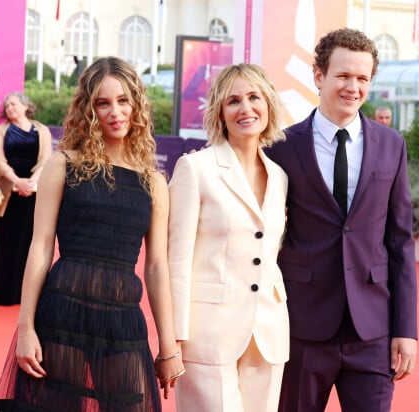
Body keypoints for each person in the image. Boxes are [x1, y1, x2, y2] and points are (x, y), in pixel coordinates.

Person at [0, 56, 184, 411]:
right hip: (61, 312)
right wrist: (26, 328)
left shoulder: (154, 182)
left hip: (123, 320)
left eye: (123, 100)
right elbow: (41, 247)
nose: (115, 112)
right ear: (88, 109)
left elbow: (157, 267)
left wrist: (168, 347)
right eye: (103, 103)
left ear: (137, 104)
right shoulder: (63, 164)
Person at [265, 28, 418, 412]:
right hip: (303, 325)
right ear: (319, 76)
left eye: (363, 78)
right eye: (343, 76)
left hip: (372, 330)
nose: (353, 87)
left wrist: (406, 330)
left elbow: (400, 242)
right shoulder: (281, 147)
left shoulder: (391, 145)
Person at [168, 63, 289, 412]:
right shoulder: (195, 168)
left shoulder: (279, 177)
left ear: (268, 104)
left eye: (254, 97)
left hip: (268, 330)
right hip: (208, 333)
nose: (246, 108)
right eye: (233, 100)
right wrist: (173, 339)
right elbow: (177, 260)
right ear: (220, 112)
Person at [0, 92, 52, 305]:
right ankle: (4, 294)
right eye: (7, 106)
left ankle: (29, 296)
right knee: (7, 242)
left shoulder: (42, 130)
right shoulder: (1, 131)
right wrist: (18, 182)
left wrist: (31, 182)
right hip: (9, 193)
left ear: (26, 106)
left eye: (13, 104)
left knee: (30, 242)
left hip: (34, 193)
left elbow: (45, 160)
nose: (10, 108)